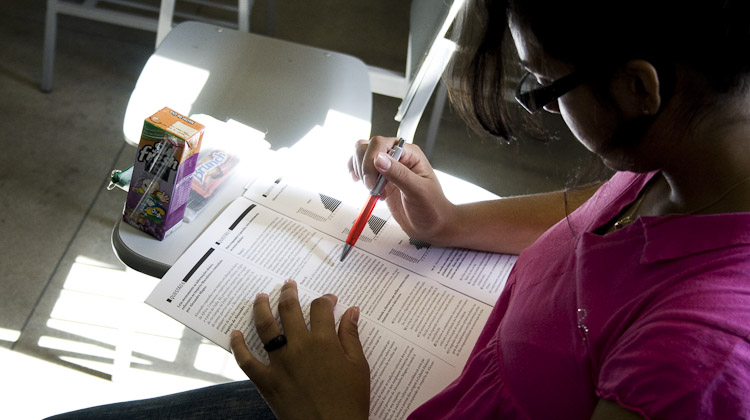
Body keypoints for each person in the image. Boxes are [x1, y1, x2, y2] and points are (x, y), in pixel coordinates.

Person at [47, 0, 750, 418]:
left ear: (637, 89)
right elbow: (598, 209)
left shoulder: (699, 360)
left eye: (539, 84)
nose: (537, 97)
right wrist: (447, 220)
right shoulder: (701, 155)